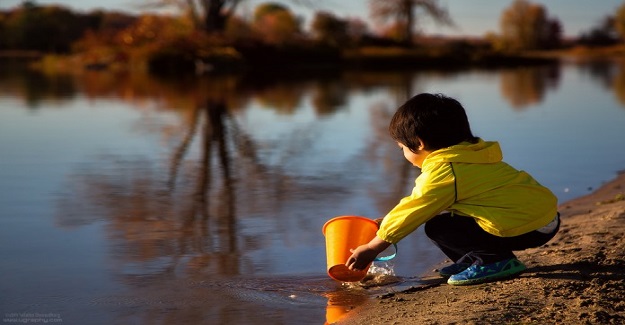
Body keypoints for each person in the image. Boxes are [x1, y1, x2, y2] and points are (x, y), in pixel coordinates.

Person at [346, 93, 560, 286]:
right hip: (545, 219)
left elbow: (415, 209)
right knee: (445, 216)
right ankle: (475, 259)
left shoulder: (444, 170)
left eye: (402, 148)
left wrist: (373, 248)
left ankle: (494, 261)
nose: (403, 154)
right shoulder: (472, 154)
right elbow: (418, 205)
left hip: (527, 227)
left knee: (439, 227)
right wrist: (388, 221)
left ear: (419, 144)